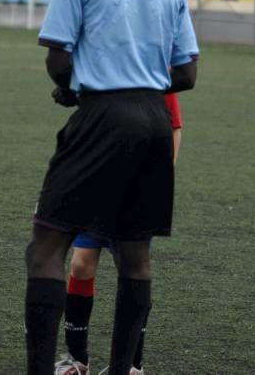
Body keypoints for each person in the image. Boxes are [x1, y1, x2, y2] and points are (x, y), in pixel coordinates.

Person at [24, 0, 199, 375]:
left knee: (46, 247)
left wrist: (77, 89)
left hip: (103, 117)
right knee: (135, 255)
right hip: (155, 122)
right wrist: (141, 82)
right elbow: (187, 75)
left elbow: (58, 60)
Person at [56, 93, 184, 375]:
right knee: (80, 264)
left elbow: (174, 127)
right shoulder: (103, 67)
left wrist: (161, 174)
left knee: (130, 270)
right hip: (96, 185)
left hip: (136, 191)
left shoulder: (157, 72)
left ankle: (131, 364)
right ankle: (76, 359)